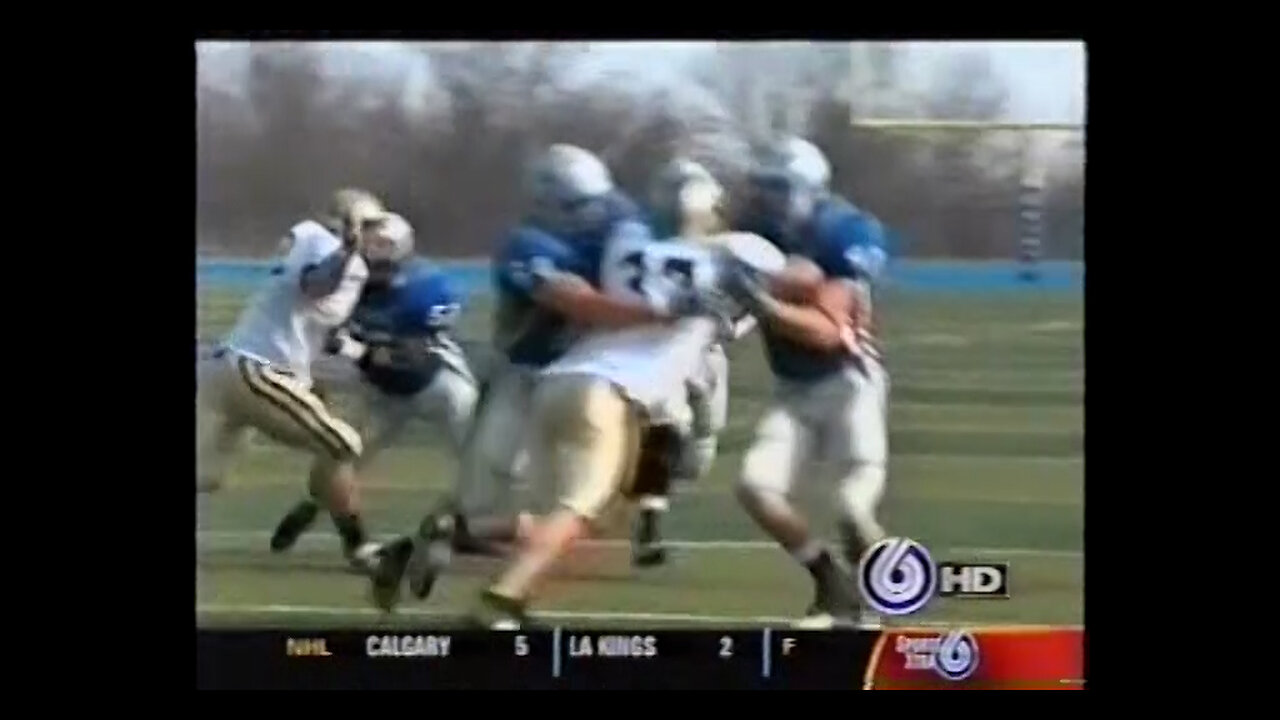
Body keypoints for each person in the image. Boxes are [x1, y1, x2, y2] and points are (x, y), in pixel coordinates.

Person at [366, 144, 682, 608]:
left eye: (595, 203)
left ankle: (460, 556)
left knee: (588, 499)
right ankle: (449, 552)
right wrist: (660, 311)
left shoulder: (619, 223)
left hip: (589, 379)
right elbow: (576, 303)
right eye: (578, 206)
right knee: (497, 499)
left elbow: (662, 248)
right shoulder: (527, 245)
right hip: (524, 375)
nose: (592, 215)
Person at [729, 137, 891, 628]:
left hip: (848, 381)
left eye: (778, 189)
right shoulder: (755, 232)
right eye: (764, 188)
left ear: (806, 189)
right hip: (792, 389)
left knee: (850, 505)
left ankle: (886, 604)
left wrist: (764, 304)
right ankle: (831, 584)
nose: (766, 199)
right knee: (755, 487)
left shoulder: (847, 230)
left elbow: (826, 331)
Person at [197, 188, 388, 570]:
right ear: (348, 224)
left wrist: (358, 352)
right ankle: (357, 544)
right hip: (256, 370)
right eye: (366, 226)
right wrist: (346, 251)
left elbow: (319, 324)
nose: (374, 235)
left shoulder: (322, 249)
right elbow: (314, 284)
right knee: (343, 443)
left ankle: (356, 545)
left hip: (230, 371)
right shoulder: (324, 244)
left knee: (206, 476)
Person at [268, 213, 479, 557]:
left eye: (382, 263)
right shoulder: (347, 284)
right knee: (337, 460)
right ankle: (311, 504)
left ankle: (479, 525)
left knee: (482, 461)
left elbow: (414, 357)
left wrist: (353, 349)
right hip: (381, 393)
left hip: (440, 385)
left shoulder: (426, 288)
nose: (372, 272)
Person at [630, 157, 757, 567]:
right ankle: (648, 522)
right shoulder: (645, 244)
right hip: (665, 349)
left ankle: (644, 490)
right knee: (669, 427)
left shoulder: (727, 250)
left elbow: (756, 302)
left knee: (697, 450)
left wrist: (739, 322)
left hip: (703, 353)